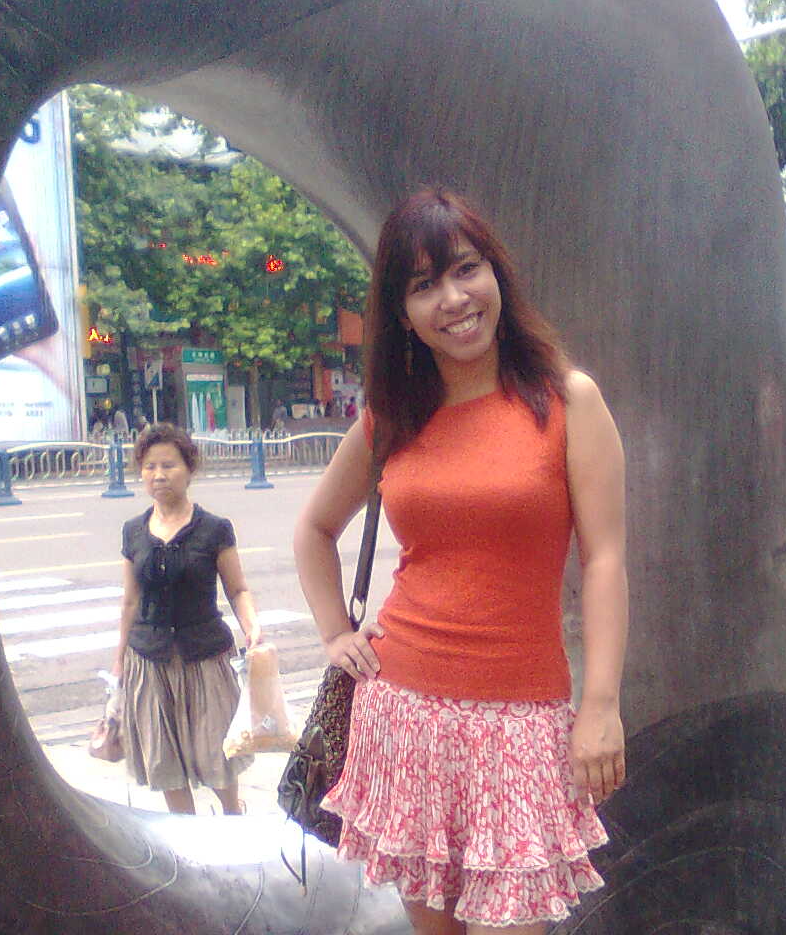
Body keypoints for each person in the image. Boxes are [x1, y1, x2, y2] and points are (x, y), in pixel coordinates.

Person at [294, 187, 628, 934]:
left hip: (521, 728)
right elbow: (314, 529)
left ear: (495, 273)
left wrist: (602, 705)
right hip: (404, 713)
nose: (453, 299)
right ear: (402, 313)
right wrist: (334, 632)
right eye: (424, 285)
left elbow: (605, 559)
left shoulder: (567, 401)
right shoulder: (392, 417)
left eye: (466, 269)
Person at [112, 423, 263, 815]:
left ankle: (232, 817)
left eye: (168, 465)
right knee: (165, 760)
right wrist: (119, 662)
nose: (159, 475)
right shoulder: (133, 531)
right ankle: (186, 833)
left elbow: (237, 589)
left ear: (189, 469)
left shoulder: (214, 529)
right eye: (149, 467)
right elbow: (130, 601)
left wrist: (252, 628)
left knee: (217, 753)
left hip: (204, 658)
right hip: (149, 661)